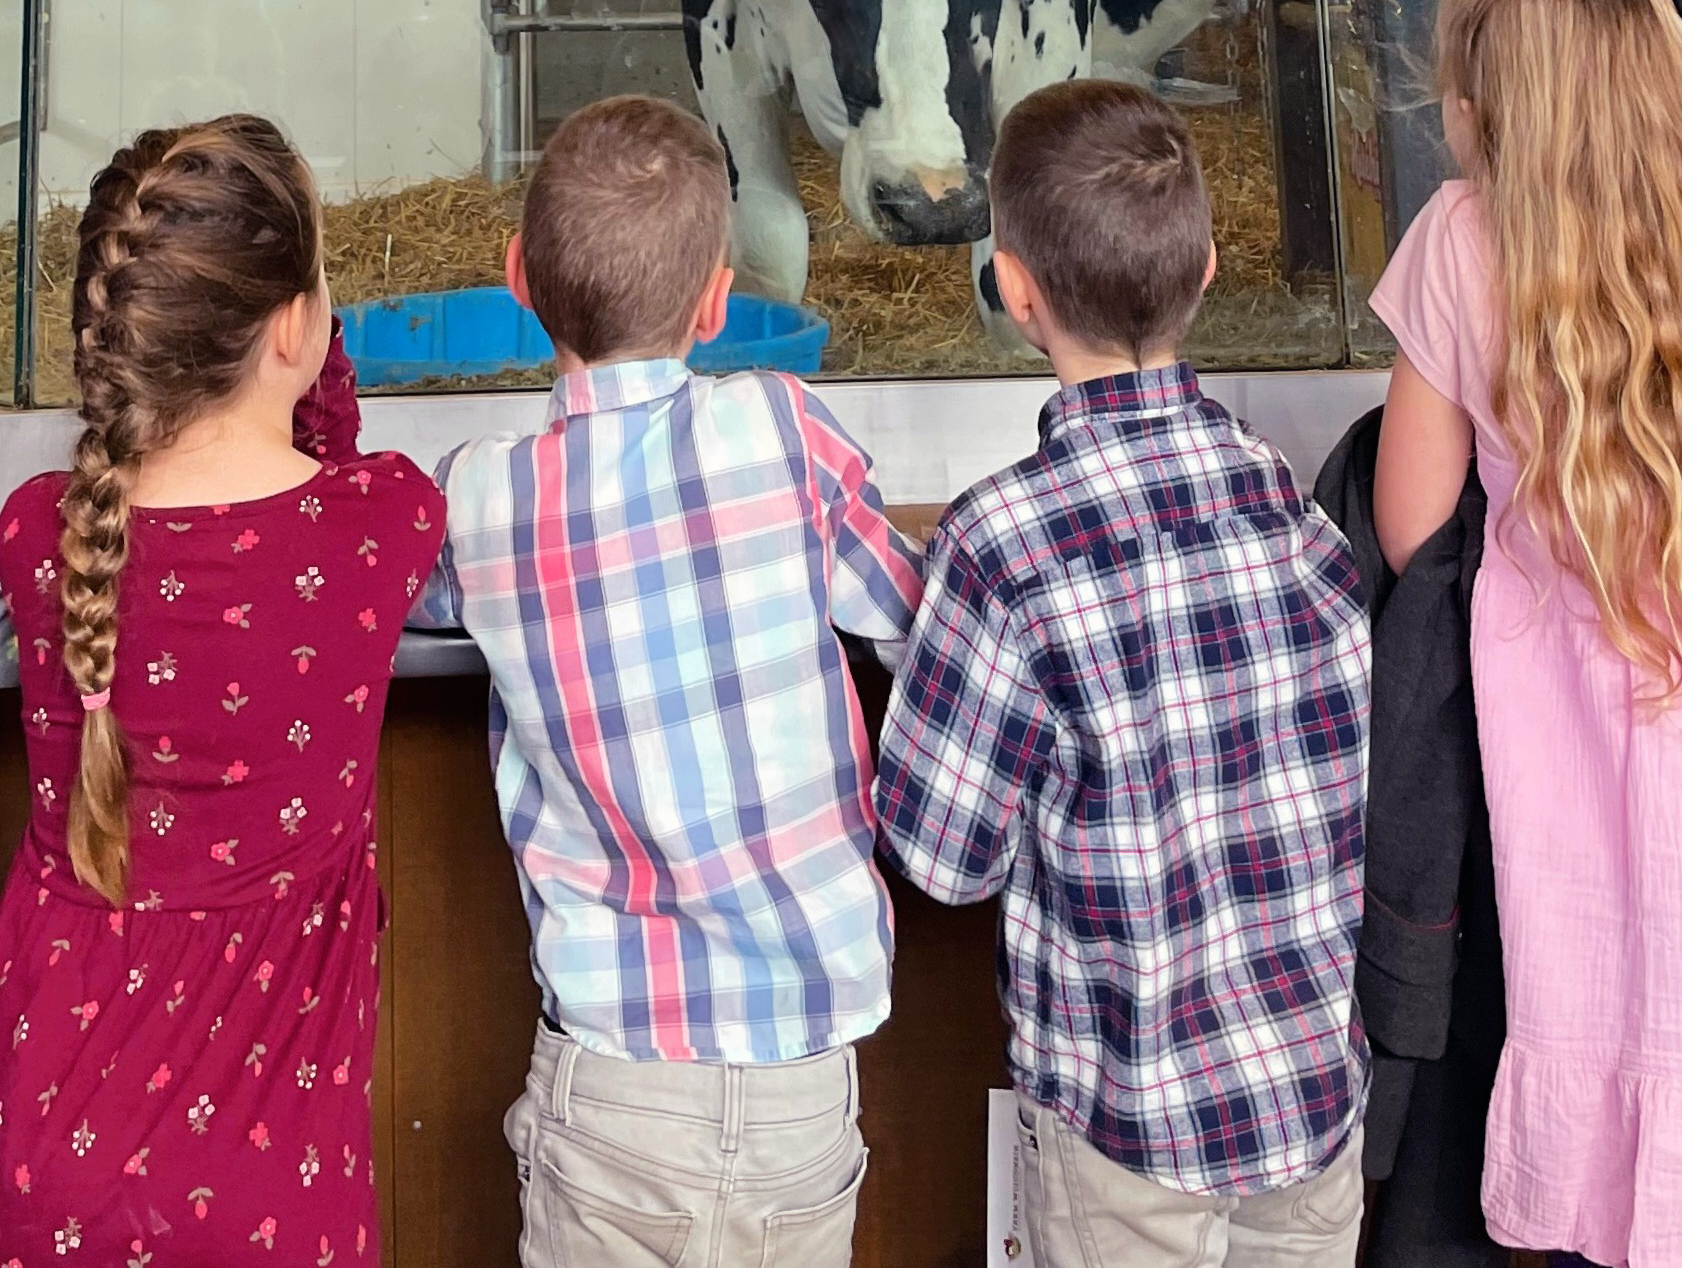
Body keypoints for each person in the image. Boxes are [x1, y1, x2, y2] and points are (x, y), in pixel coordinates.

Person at [1371, 0, 1682, 1268]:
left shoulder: (1463, 240)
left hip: (1592, 770)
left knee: (1627, 1042)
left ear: (1484, 114)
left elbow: (1408, 526)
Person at [413, 95, 923, 1268]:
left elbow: (396, 594)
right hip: (801, 1075)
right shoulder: (785, 430)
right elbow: (912, 620)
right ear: (718, 303)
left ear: (514, 278)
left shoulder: (481, 496)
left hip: (612, 1081)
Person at [874, 80, 1372, 1268]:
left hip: (1124, 1135)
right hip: (1311, 1112)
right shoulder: (1292, 512)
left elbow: (943, 859)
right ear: (1206, 270)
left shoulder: (1000, 547)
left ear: (1012, 291)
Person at [0, 116, 445, 1265]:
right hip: (268, 1191)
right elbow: (328, 445)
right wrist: (313, 362)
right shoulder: (378, 521)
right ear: (296, 326)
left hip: (44, 1156)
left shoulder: (38, 534)